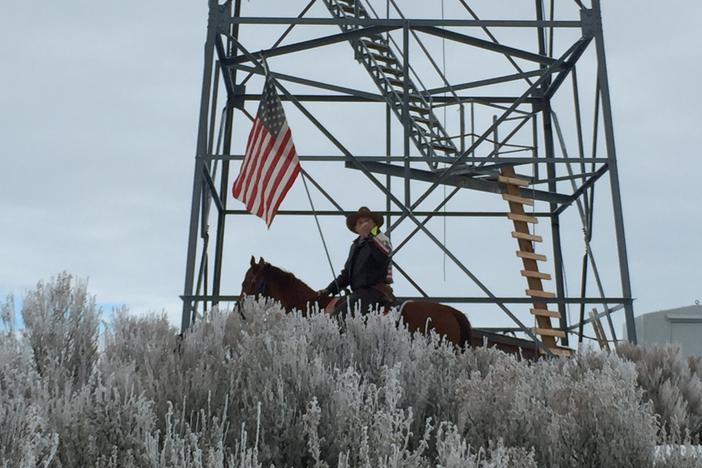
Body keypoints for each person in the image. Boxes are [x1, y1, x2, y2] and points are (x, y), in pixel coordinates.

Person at [318, 207, 395, 321]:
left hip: (375, 291)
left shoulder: (381, 238)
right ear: (356, 228)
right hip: (358, 293)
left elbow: (382, 259)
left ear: (374, 225)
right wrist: (329, 290)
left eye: (368, 221)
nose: (364, 224)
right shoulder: (355, 246)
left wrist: (370, 236)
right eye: (360, 222)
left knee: (342, 315)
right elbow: (346, 275)